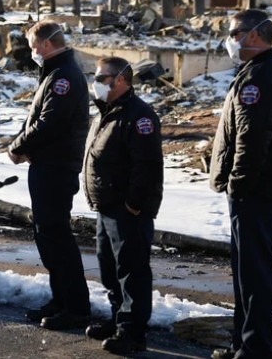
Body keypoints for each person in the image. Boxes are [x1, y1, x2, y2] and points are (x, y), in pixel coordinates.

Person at [209, 10, 272, 359]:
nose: (230, 39)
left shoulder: (259, 79)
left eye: (234, 33)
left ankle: (254, 347)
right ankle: (244, 343)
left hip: (256, 191)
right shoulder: (261, 72)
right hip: (261, 189)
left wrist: (238, 185)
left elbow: (251, 140)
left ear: (255, 36)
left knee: (254, 274)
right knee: (250, 272)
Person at [8, 21, 91, 330]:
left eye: (32, 46)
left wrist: (17, 148)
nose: (31, 52)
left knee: (57, 237)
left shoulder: (64, 77)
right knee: (47, 236)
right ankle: (61, 299)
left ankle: (76, 306)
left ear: (44, 45)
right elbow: (37, 118)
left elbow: (50, 123)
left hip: (56, 168)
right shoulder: (54, 72)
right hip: (46, 165)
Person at [82, 56, 163, 355]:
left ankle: (133, 332)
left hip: (127, 209)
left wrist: (133, 204)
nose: (97, 82)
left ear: (121, 81)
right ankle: (119, 318)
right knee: (109, 267)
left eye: (103, 78)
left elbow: (147, 165)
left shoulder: (138, 115)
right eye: (96, 76)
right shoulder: (106, 112)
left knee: (132, 270)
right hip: (106, 206)